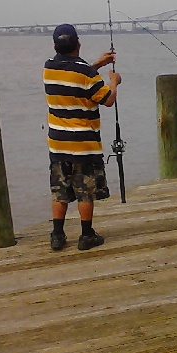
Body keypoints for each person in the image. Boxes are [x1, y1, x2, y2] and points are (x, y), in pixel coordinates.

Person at [43, 23, 121, 251]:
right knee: (85, 192)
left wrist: (96, 64)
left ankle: (57, 235)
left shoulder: (48, 68)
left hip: (58, 144)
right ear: (78, 43)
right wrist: (114, 82)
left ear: (56, 45)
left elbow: (74, 78)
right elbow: (107, 99)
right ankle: (86, 235)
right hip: (84, 145)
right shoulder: (87, 73)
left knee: (60, 190)